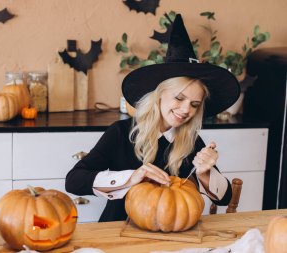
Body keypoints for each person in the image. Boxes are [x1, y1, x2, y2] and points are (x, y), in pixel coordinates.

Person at [65, 14, 240, 222]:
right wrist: (131, 177)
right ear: (159, 95)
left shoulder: (190, 141)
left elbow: (225, 198)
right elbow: (73, 181)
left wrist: (205, 172)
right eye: (179, 98)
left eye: (195, 104)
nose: (186, 110)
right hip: (117, 230)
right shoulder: (121, 132)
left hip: (172, 236)